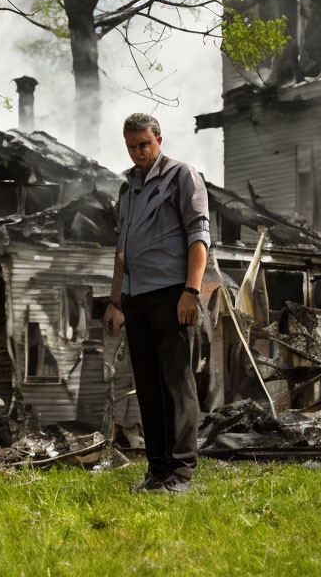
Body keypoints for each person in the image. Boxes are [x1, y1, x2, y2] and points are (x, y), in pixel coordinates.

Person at [103, 113, 210, 493]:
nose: (137, 153)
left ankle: (181, 473)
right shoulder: (127, 187)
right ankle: (158, 470)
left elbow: (199, 237)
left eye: (144, 145)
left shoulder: (183, 176)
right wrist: (115, 301)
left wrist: (191, 292)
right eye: (131, 146)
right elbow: (121, 251)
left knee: (176, 385)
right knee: (148, 386)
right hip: (135, 299)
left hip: (172, 296)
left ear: (159, 141)